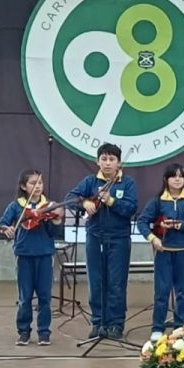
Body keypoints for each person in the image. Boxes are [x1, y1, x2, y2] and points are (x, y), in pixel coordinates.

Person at [67, 143, 138, 340]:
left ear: (119, 163)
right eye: (104, 159)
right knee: (96, 282)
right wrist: (85, 202)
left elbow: (131, 208)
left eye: (112, 159)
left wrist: (112, 201)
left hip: (119, 239)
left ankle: (116, 323)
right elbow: (70, 197)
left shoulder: (127, 183)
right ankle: (98, 322)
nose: (107, 163)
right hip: (95, 237)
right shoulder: (90, 182)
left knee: (116, 283)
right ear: (97, 161)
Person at [138, 163, 184, 343]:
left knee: (182, 291)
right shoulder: (157, 201)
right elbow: (142, 222)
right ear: (166, 179)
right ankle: (158, 327)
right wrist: (153, 238)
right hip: (164, 252)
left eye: (181, 176)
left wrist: (180, 224)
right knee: (162, 291)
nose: (177, 179)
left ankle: (180, 325)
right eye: (173, 176)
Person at [0, 169, 63, 346]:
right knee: (25, 297)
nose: (37, 187)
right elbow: (1, 225)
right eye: (32, 183)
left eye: (40, 183)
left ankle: (44, 332)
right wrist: (6, 229)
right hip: (24, 255)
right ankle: (24, 331)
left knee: (45, 297)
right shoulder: (16, 206)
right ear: (23, 186)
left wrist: (56, 221)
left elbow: (54, 233)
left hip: (44, 255)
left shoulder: (48, 206)